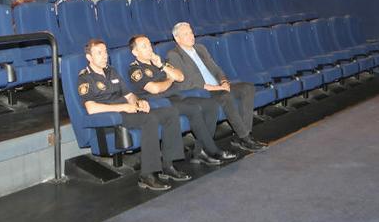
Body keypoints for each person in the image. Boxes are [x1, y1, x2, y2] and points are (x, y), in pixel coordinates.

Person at [77, 39, 190, 191]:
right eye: (99, 53)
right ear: (89, 57)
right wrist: (123, 106)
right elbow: (91, 108)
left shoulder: (111, 71)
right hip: (112, 115)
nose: (104, 56)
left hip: (127, 110)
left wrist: (138, 102)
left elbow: (129, 94)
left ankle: (168, 165)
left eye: (105, 52)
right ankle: (147, 175)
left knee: (170, 112)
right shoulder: (85, 78)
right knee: (150, 119)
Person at [128, 35, 237, 165]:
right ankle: (213, 150)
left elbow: (180, 76)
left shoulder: (158, 62)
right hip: (159, 102)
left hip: (175, 97)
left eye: (149, 45)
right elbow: (155, 89)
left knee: (211, 104)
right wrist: (170, 79)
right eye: (144, 46)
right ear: (135, 52)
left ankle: (200, 151)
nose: (149, 48)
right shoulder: (135, 69)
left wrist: (162, 66)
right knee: (193, 109)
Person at [166, 22, 267, 152]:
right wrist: (216, 88)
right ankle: (246, 138)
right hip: (203, 92)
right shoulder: (173, 55)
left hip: (218, 86)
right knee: (226, 96)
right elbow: (185, 83)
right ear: (177, 38)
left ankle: (243, 135)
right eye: (186, 34)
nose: (191, 36)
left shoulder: (200, 48)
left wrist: (223, 81)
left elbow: (216, 69)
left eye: (191, 32)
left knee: (247, 88)